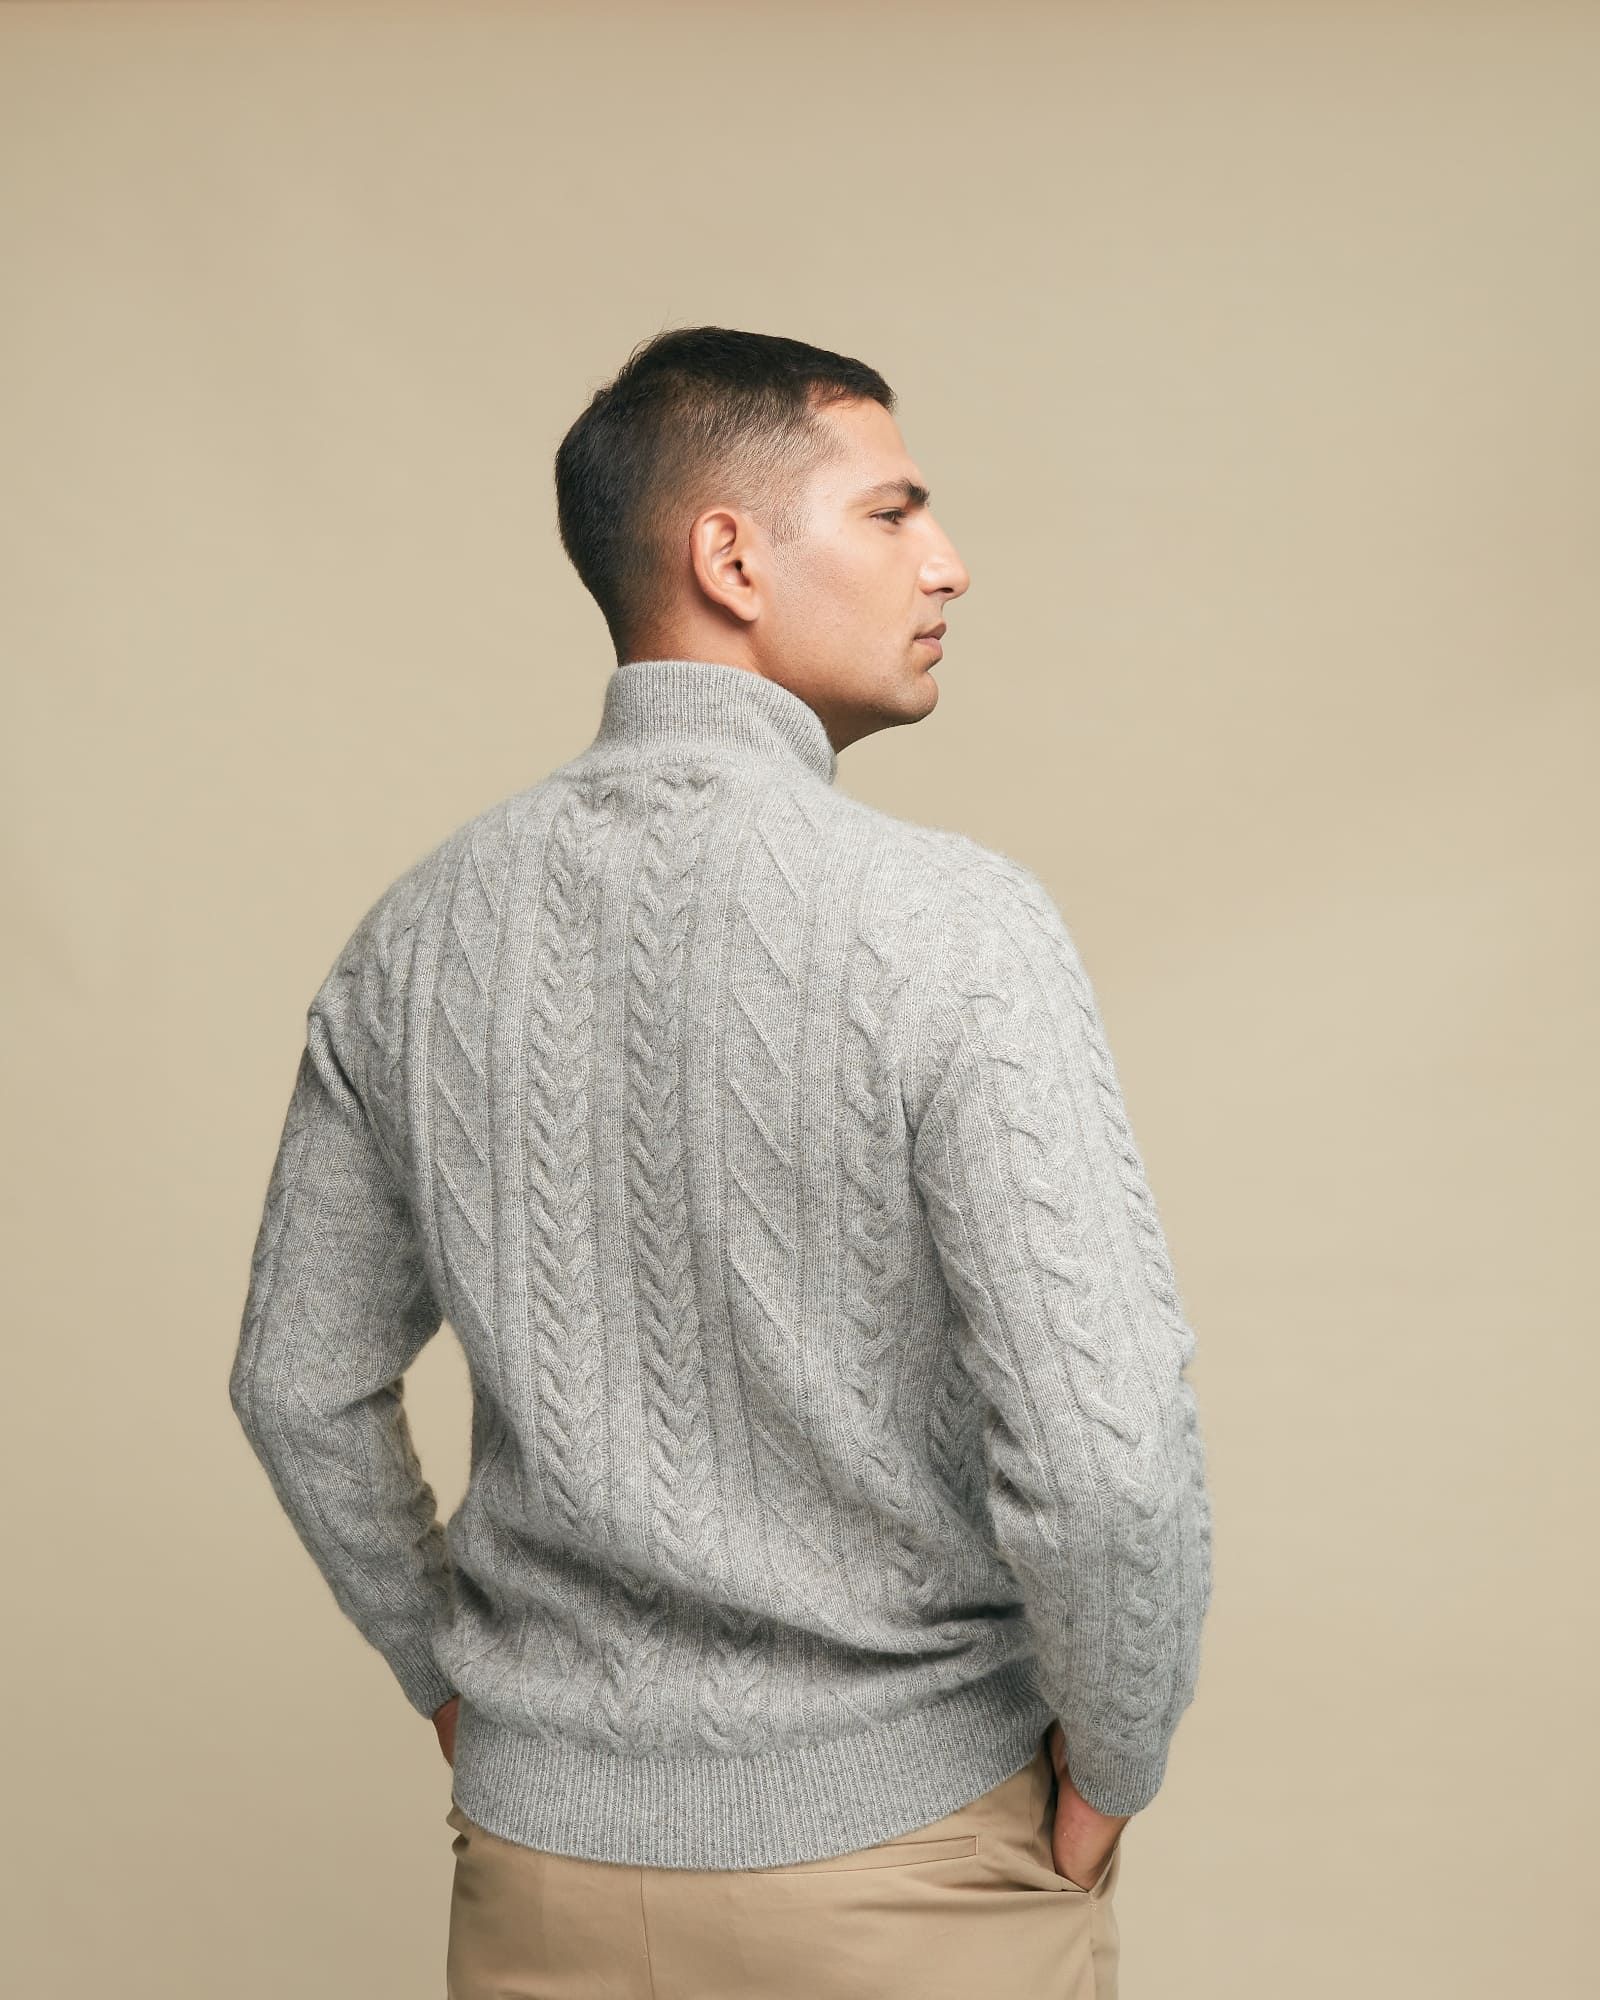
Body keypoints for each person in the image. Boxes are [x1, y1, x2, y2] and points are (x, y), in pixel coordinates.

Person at [228, 324, 1214, 1999]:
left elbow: (294, 1383)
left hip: (536, 1882)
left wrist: (458, 1686)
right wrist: (1114, 1766)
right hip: (907, 1872)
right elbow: (1107, 1456)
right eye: (894, 512)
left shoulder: (419, 937)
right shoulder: (954, 925)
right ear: (732, 558)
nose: (949, 563)